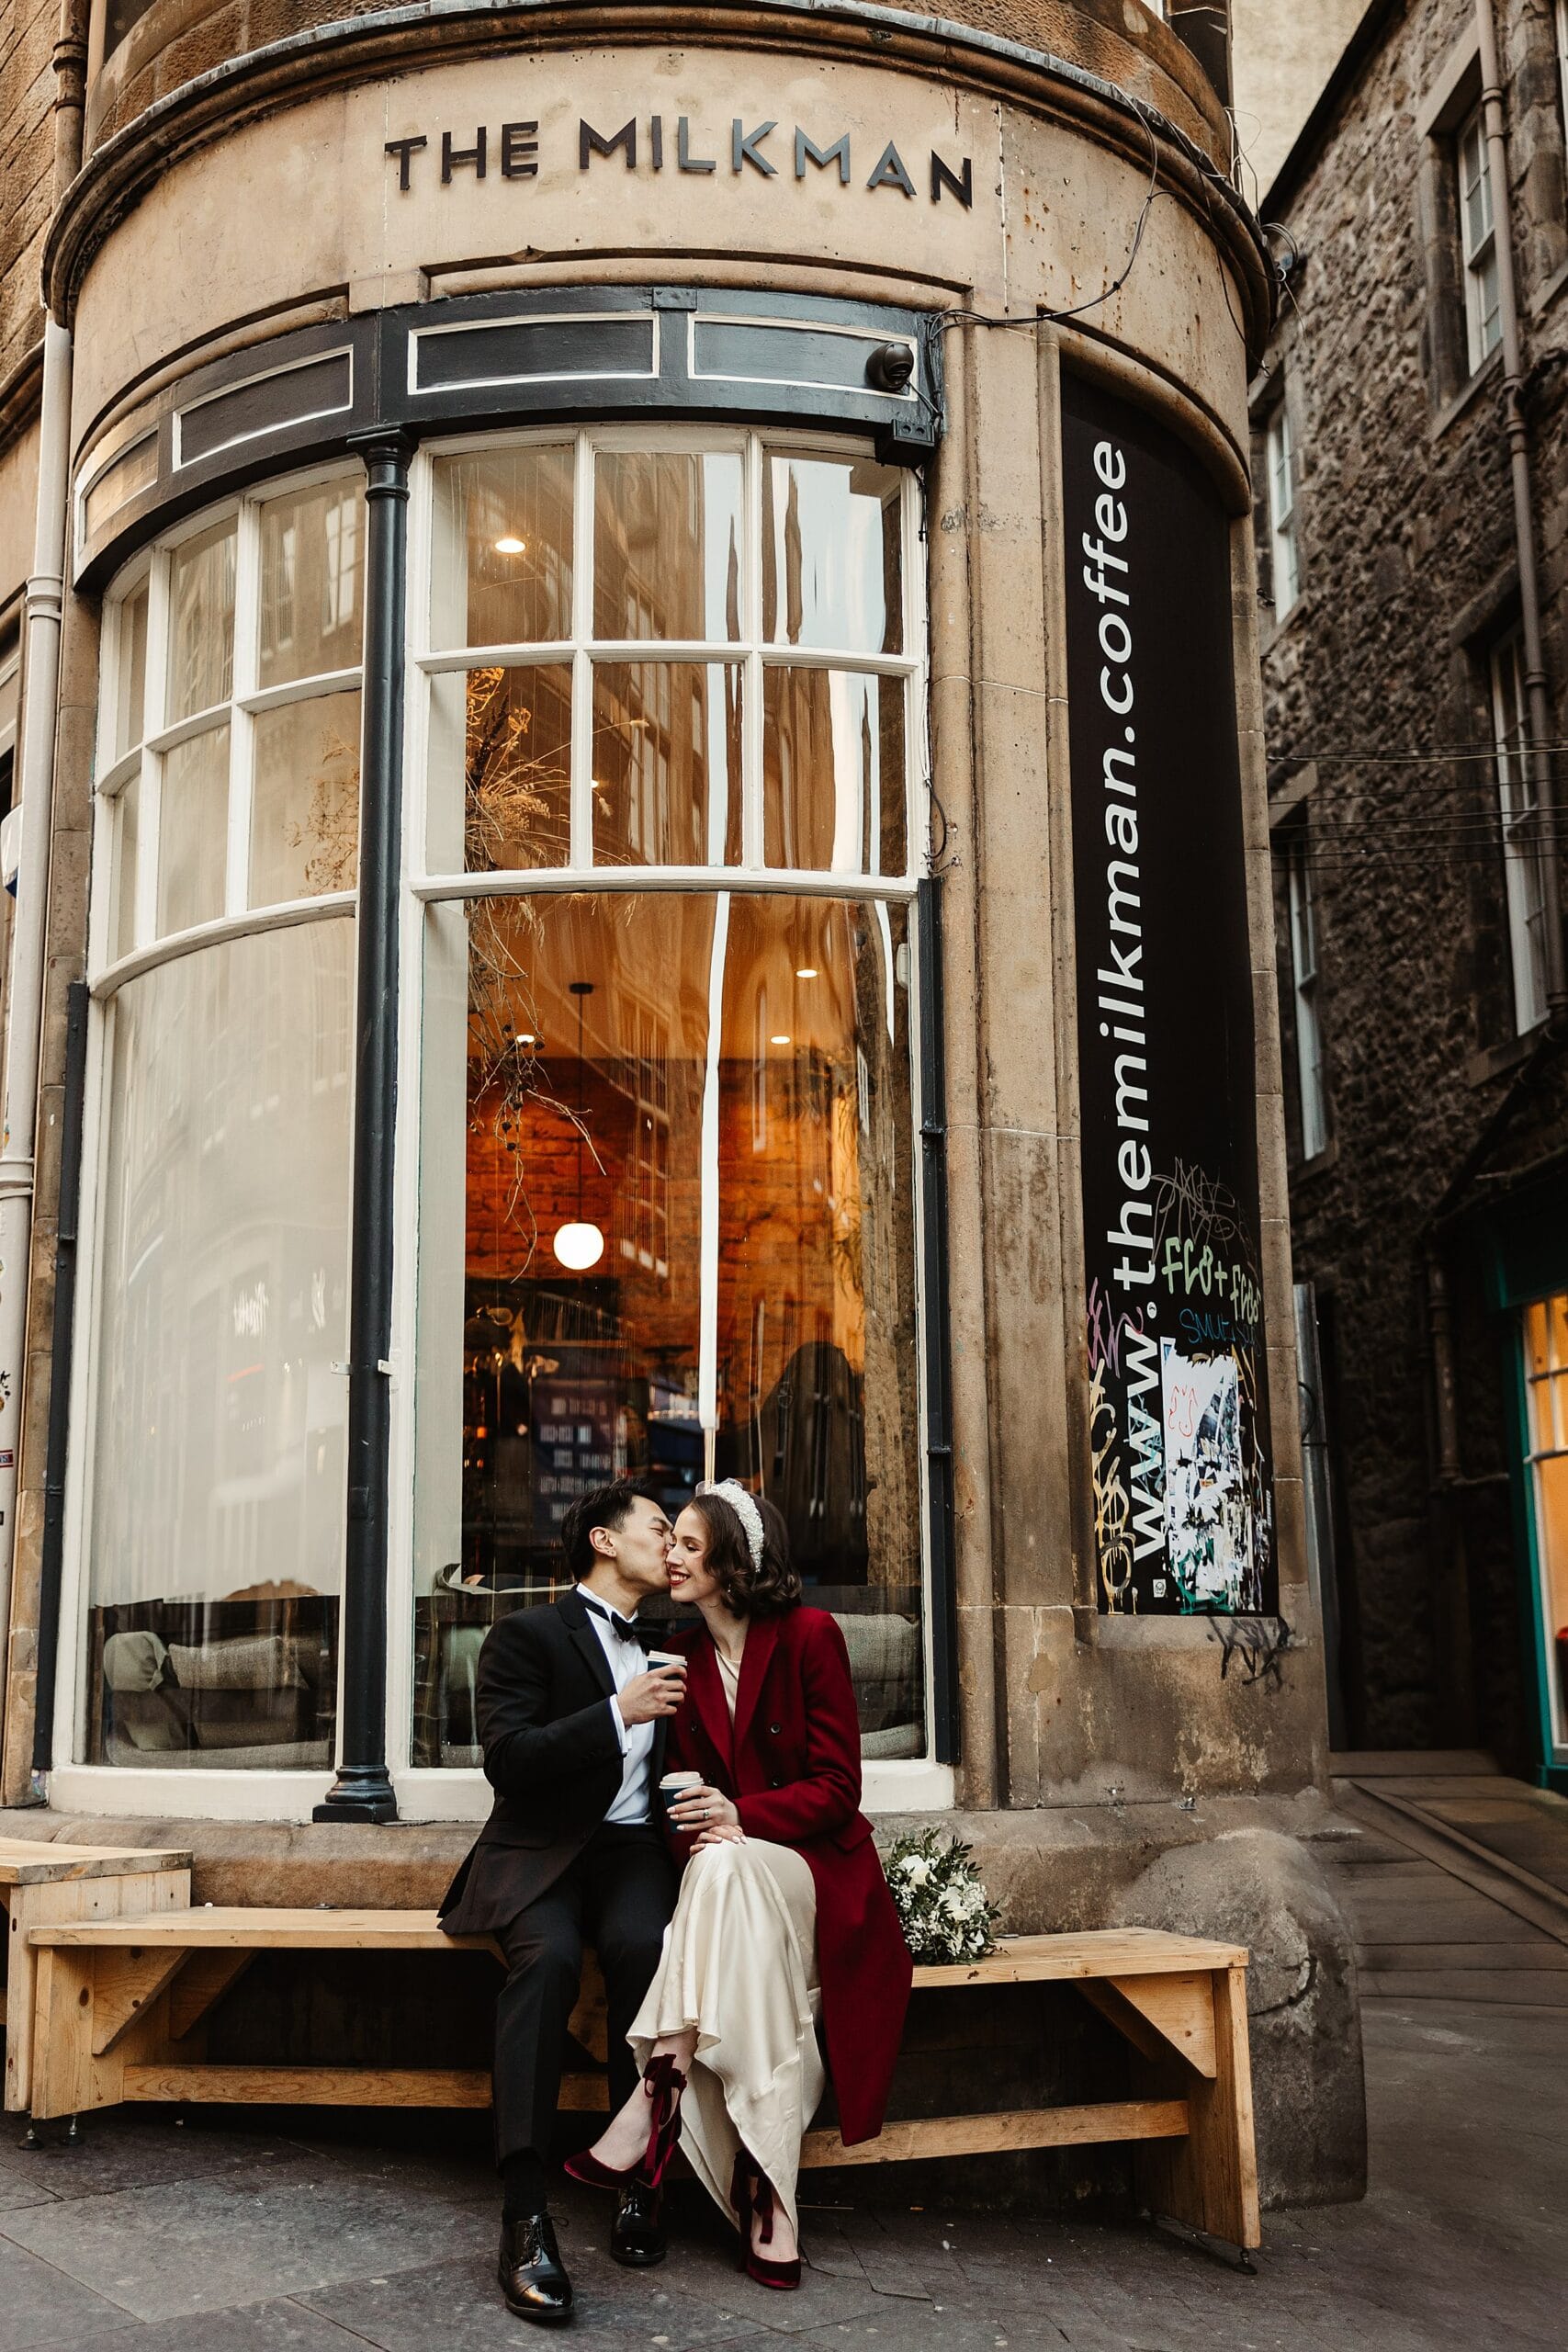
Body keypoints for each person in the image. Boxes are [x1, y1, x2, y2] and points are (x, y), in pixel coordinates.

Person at [565, 1480, 912, 2289]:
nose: (671, 1557)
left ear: (735, 1557)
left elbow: (837, 1788)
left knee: (726, 1861)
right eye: (671, 1541)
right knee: (721, 1876)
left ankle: (657, 2088)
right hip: (725, 1879)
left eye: (689, 1544)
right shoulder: (675, 1661)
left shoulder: (809, 1636)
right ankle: (771, 2201)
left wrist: (741, 1812)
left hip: (813, 1869)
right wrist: (708, 1824)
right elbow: (673, 1807)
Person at [439, 1478, 688, 2325]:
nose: (674, 1543)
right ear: (604, 1542)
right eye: (659, 1528)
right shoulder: (524, 1635)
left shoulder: (674, 1642)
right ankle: (524, 2213)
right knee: (543, 1963)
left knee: (644, 1951)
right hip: (540, 1850)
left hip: (630, 1849)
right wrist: (617, 1712)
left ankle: (638, 2182)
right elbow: (509, 1760)